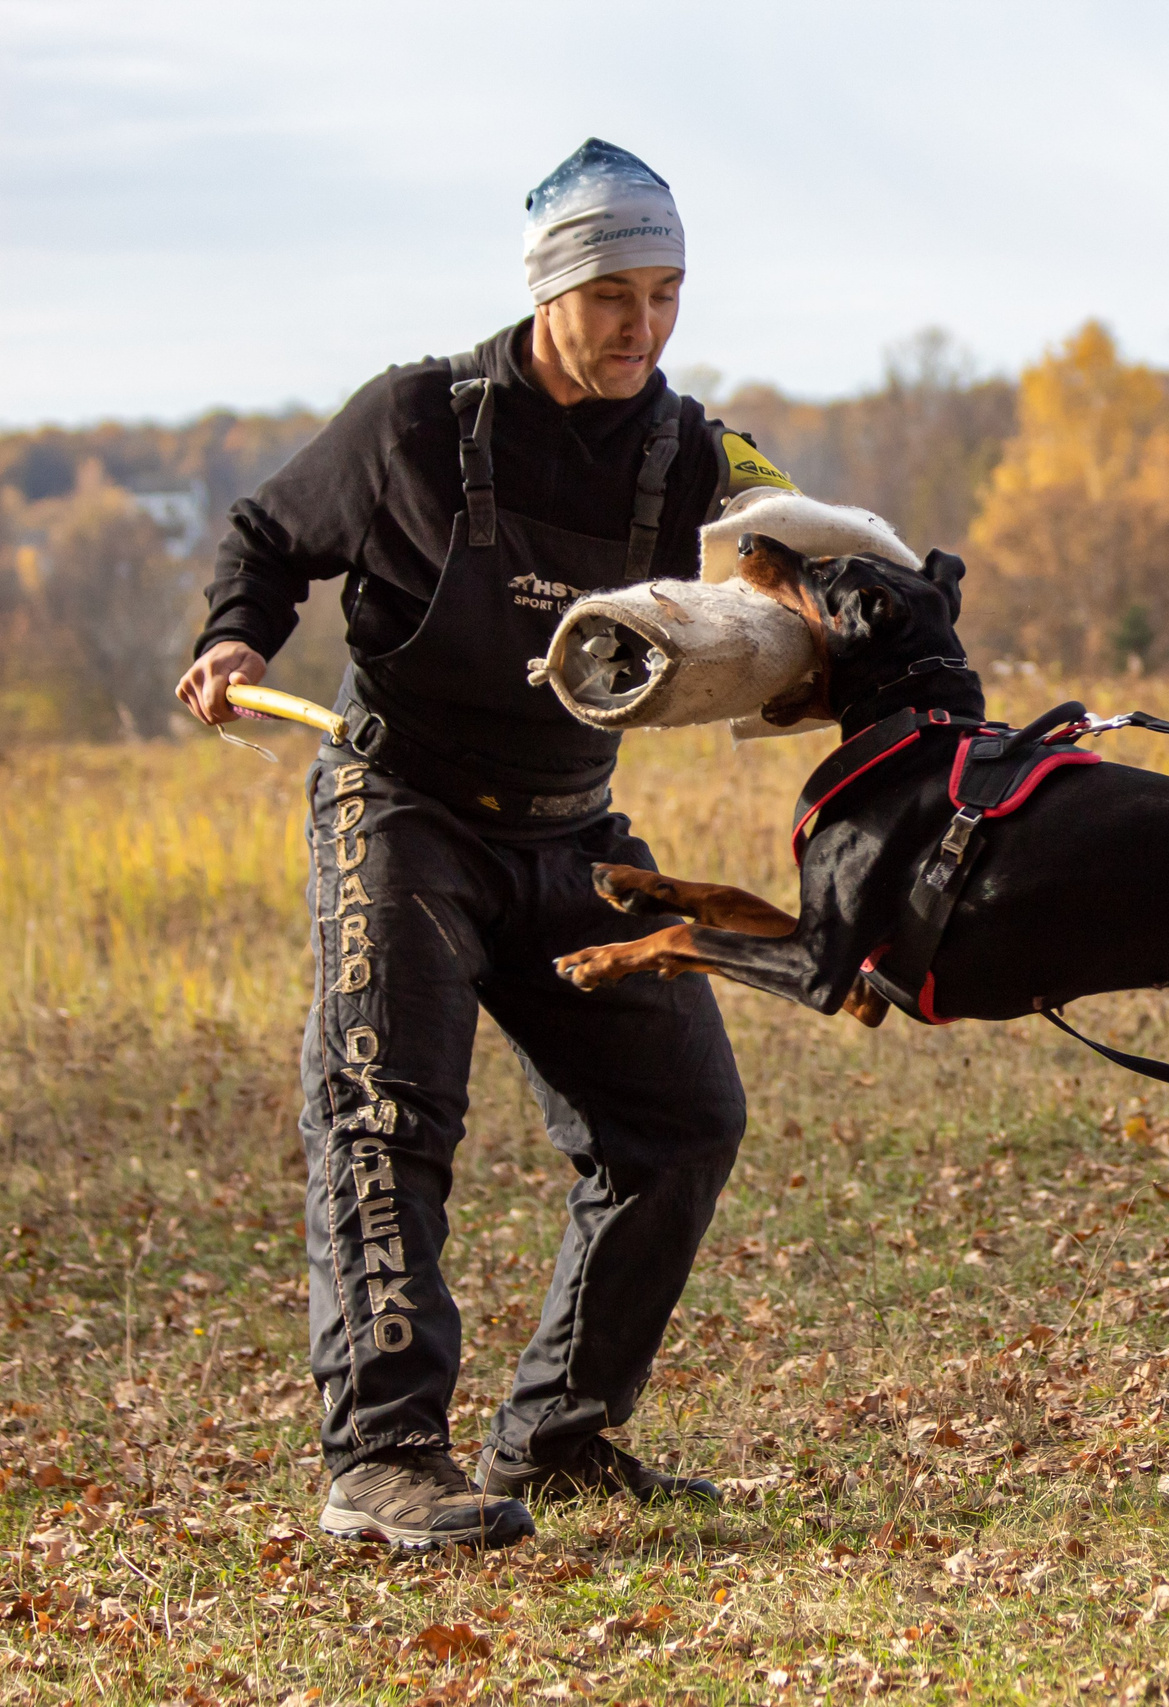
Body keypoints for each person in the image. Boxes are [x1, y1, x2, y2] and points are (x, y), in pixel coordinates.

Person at [175, 139, 794, 1551]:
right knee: (386, 1118)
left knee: (682, 1117)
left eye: (668, 293)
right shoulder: (411, 420)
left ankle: (558, 1440)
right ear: (548, 291)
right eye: (615, 297)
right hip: (402, 813)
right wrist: (232, 634)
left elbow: (790, 548)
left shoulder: (689, 445)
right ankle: (383, 1459)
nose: (644, 328)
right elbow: (270, 535)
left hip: (574, 826)